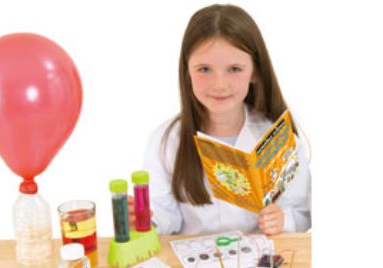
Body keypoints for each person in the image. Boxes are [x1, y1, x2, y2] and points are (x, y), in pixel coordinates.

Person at [128, 4, 311, 236]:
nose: (219, 85)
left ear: (254, 71)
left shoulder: (278, 139)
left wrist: (284, 220)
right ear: (187, 72)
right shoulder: (166, 141)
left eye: (234, 69)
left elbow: (303, 212)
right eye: (204, 69)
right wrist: (146, 219)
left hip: (258, 263)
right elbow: (165, 215)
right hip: (192, 264)